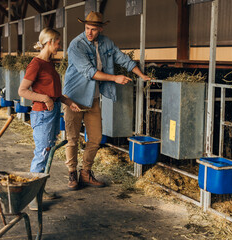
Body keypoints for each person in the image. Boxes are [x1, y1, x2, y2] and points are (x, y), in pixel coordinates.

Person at [63, 11, 151, 190]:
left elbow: (122, 58)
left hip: (93, 98)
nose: (89, 32)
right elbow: (90, 72)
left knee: (95, 138)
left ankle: (85, 172)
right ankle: (72, 172)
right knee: (72, 138)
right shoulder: (76, 46)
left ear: (100, 29)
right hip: (74, 98)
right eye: (87, 28)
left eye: (93, 29)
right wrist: (114, 78)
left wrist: (142, 76)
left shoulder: (106, 42)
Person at [18, 27, 81, 209]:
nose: (60, 46)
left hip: (52, 112)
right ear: (49, 42)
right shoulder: (36, 64)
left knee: (48, 152)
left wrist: (68, 102)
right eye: (58, 43)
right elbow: (22, 91)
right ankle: (31, 199)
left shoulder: (49, 64)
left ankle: (39, 190)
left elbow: (54, 93)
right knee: (42, 153)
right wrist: (44, 98)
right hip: (42, 113)